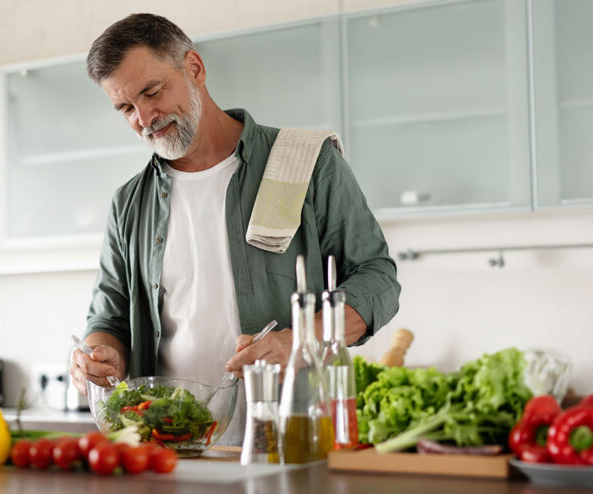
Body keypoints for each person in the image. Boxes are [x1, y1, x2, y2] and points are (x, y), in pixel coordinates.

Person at [69, 13, 401, 444]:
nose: (144, 117)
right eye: (125, 108)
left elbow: (378, 279)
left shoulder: (305, 163)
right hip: (169, 448)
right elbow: (109, 314)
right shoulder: (129, 203)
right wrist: (100, 355)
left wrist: (300, 340)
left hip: (293, 438)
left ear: (194, 68)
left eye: (152, 92)